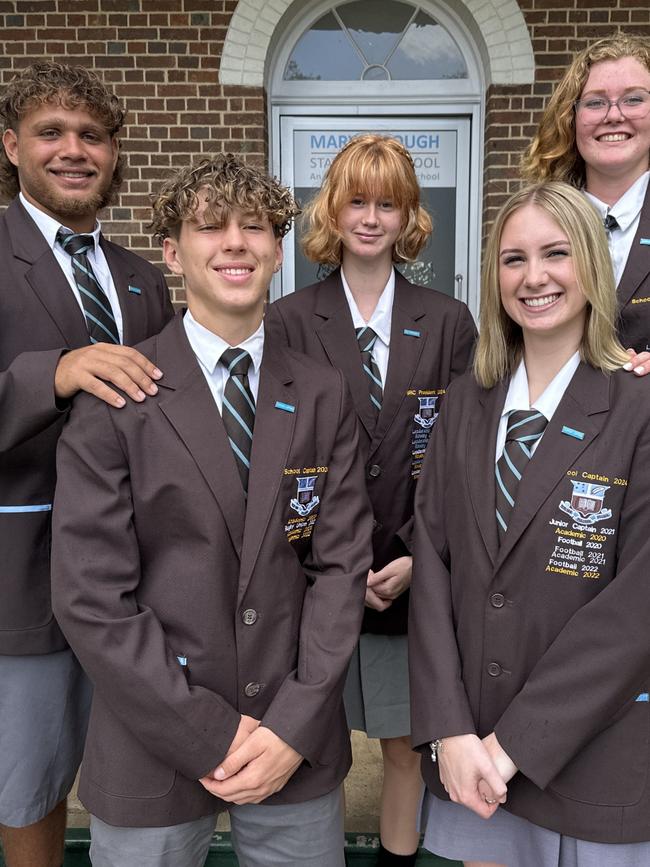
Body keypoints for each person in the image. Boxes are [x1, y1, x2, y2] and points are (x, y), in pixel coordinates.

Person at [50, 154, 373, 867]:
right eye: (210, 226)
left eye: (254, 226)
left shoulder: (322, 392)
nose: (235, 242)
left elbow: (341, 568)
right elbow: (91, 595)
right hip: (152, 738)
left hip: (294, 742)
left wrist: (290, 725)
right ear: (172, 251)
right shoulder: (119, 394)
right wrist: (207, 733)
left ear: (278, 250)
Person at [409, 180, 650, 867]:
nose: (534, 276)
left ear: (593, 268)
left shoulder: (638, 407)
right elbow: (432, 568)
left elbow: (635, 609)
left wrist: (512, 745)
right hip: (474, 764)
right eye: (513, 259)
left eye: (556, 253)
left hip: (594, 766)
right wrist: (448, 729)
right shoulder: (465, 404)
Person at [265, 134, 476, 866]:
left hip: (409, 578)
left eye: (387, 203)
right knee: (307, 750)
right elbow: (284, 456)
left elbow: (462, 458)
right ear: (332, 208)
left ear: (409, 215)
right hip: (317, 576)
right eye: (356, 199)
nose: (370, 216)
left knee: (404, 752)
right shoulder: (289, 319)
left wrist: (422, 554)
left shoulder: (448, 321)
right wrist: (337, 562)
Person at [0, 62, 173, 867]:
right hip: (25, 578)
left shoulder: (142, 279)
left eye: (92, 136)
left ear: (112, 154)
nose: (74, 150)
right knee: (31, 785)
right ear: (12, 145)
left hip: (142, 580)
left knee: (130, 773)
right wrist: (54, 373)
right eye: (51, 132)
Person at [522, 32, 650, 372]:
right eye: (595, 102)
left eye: (634, 99)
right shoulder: (536, 220)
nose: (613, 115)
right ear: (570, 118)